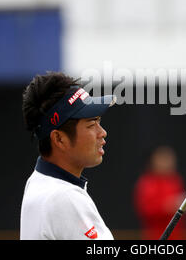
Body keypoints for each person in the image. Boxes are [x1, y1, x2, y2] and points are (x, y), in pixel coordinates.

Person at [20, 72, 117, 240]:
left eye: (99, 122)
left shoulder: (39, 181)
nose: (102, 132)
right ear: (59, 139)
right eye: (92, 124)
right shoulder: (63, 198)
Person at [133, 146, 186, 240]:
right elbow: (146, 208)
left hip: (177, 235)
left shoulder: (176, 180)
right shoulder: (147, 182)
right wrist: (166, 206)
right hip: (156, 235)